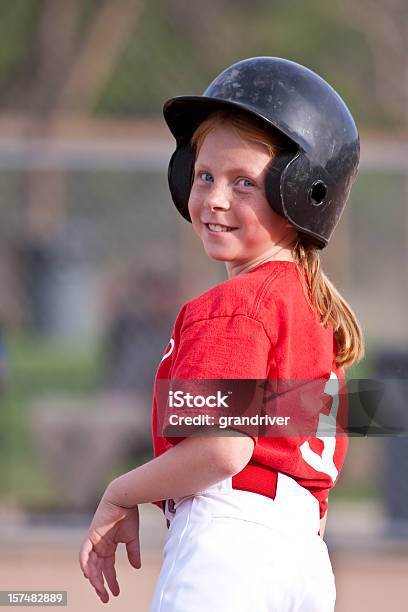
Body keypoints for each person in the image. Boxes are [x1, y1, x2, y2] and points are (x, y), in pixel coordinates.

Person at [79, 57, 364, 611]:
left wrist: (121, 492)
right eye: (205, 174)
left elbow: (223, 448)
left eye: (244, 183)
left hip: (230, 545)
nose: (213, 198)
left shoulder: (233, 306)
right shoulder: (319, 318)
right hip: (305, 558)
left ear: (302, 192)